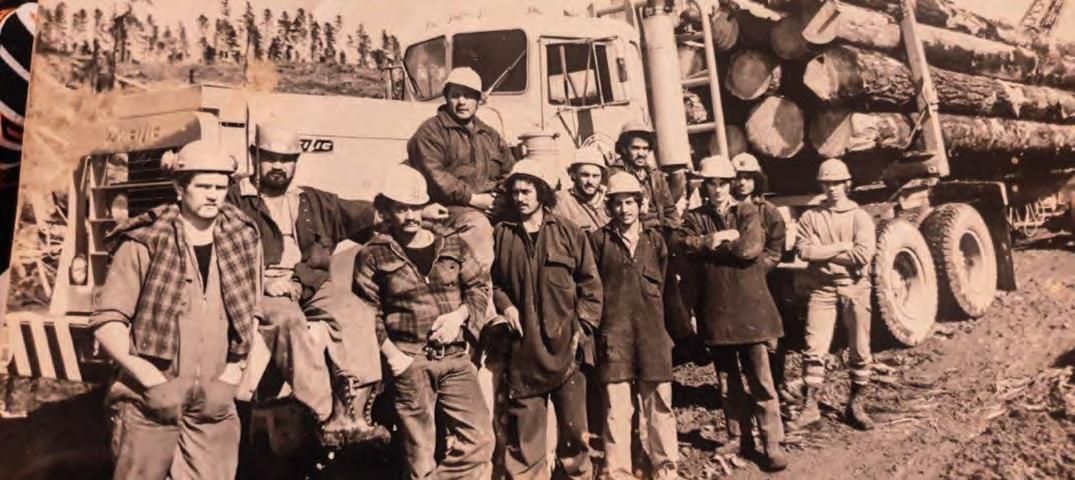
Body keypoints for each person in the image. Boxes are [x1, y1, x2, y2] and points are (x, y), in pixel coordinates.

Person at [91, 140, 259, 479]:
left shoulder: (242, 238)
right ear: (179, 188)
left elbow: (252, 310)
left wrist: (232, 374)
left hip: (213, 405)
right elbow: (108, 322)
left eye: (220, 187)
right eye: (203, 186)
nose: (213, 196)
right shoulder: (143, 240)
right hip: (150, 400)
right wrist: (151, 380)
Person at [228, 122, 390, 444]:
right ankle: (323, 414)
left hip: (308, 282)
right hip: (262, 286)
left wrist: (411, 210)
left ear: (296, 161)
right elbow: (225, 252)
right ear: (253, 155)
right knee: (289, 322)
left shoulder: (309, 199)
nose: (278, 166)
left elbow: (365, 213)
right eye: (270, 157)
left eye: (287, 159)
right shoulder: (235, 199)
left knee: (355, 312)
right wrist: (261, 283)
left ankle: (354, 413)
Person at [353, 164, 493, 479]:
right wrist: (394, 357)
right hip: (409, 360)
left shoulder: (452, 243)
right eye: (401, 208)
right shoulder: (374, 254)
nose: (410, 216)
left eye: (415, 207)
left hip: (455, 358)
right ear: (386, 210)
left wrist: (459, 316)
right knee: (419, 455)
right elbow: (365, 313)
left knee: (481, 441)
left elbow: (478, 288)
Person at [675, 155, 788, 471]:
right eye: (711, 183)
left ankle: (772, 442)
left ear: (731, 184)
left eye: (723, 183)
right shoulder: (695, 217)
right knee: (727, 381)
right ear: (704, 186)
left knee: (761, 379)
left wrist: (709, 249)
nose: (718, 189)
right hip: (715, 309)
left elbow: (748, 249)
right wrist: (716, 238)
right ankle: (738, 437)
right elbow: (680, 245)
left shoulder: (748, 212)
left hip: (750, 308)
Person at [491, 159, 602, 479]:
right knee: (525, 436)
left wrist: (583, 327)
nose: (520, 198)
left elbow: (590, 284)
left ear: (541, 192)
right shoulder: (502, 234)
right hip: (524, 349)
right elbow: (493, 283)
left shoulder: (567, 232)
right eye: (515, 192)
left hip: (568, 346)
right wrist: (505, 305)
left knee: (574, 433)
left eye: (526, 191)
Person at [590, 172, 679, 480]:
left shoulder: (655, 240)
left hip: (652, 334)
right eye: (617, 203)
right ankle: (619, 472)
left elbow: (666, 288)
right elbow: (591, 288)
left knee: (659, 404)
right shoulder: (599, 241)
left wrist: (670, 333)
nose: (624, 209)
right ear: (609, 206)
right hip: (615, 334)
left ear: (640, 205)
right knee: (616, 409)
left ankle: (665, 468)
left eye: (630, 202)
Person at [789, 158, 877, 431]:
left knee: (860, 348)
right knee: (813, 347)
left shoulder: (860, 217)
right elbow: (804, 251)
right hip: (822, 287)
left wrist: (823, 252)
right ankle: (810, 408)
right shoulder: (812, 216)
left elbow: (862, 255)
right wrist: (842, 247)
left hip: (855, 286)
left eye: (837, 183)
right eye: (827, 183)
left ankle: (856, 405)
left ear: (847, 184)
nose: (832, 188)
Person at [407, 66, 516, 270]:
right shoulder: (430, 132)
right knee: (477, 225)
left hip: (492, 205)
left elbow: (510, 171)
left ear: (478, 100)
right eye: (455, 95)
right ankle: (478, 287)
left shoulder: (490, 135)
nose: (462, 101)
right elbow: (435, 176)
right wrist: (473, 199)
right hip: (447, 209)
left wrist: (501, 199)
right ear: (446, 97)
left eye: (468, 95)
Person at [554, 145, 610, 233]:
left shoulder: (611, 199)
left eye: (595, 176)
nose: (590, 181)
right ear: (573, 174)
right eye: (585, 175)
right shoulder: (561, 201)